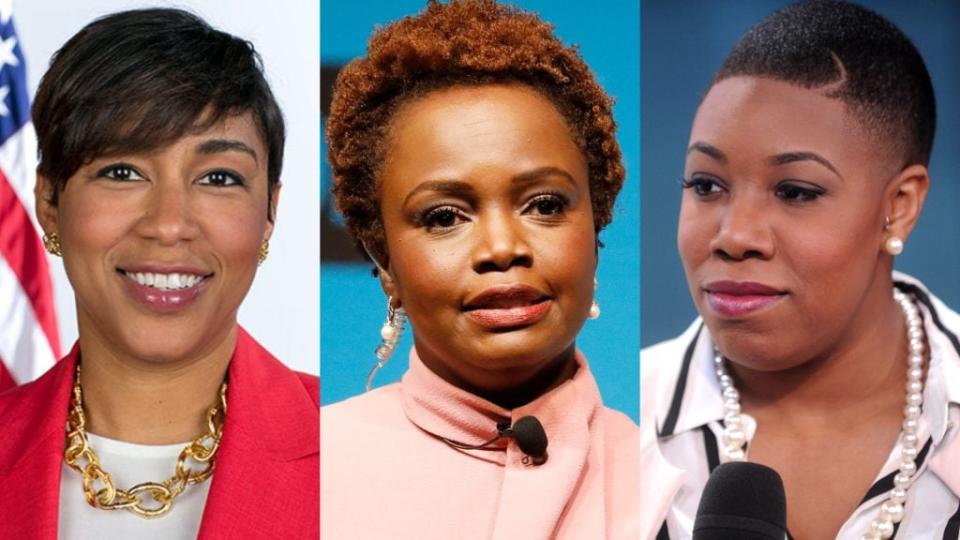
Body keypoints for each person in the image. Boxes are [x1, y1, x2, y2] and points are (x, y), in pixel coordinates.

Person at [641, 1, 960, 538]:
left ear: (900, 205)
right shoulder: (613, 426)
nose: (735, 236)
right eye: (706, 186)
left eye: (795, 191)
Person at [321, 1, 639, 537]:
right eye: (445, 216)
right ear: (384, 260)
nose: (501, 247)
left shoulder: (671, 479)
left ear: (596, 227)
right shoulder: (313, 469)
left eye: (544, 205)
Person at [0, 9, 318, 539]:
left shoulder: (366, 461)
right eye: (122, 172)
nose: (169, 226)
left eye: (218, 177)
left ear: (269, 214)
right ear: (49, 202)